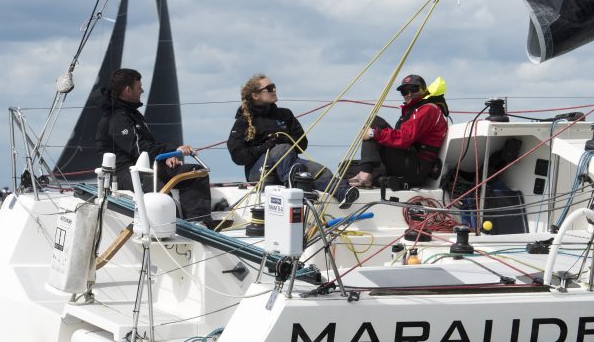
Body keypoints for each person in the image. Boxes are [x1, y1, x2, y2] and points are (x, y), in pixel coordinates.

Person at [97, 68, 213, 226]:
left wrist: (168, 157)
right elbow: (138, 148)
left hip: (146, 165)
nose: (142, 90)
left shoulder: (133, 114)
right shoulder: (117, 118)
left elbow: (149, 146)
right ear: (128, 90)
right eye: (139, 87)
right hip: (124, 170)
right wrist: (175, 149)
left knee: (195, 173)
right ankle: (173, 227)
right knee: (157, 190)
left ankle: (199, 223)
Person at [227, 73, 358, 208]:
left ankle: (343, 192)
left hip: (289, 163)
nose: (274, 90)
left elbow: (302, 144)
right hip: (260, 171)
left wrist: (284, 139)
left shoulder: (285, 114)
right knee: (282, 150)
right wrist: (267, 146)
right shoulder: (243, 122)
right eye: (270, 88)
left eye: (274, 86)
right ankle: (295, 186)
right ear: (255, 95)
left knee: (321, 171)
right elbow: (238, 156)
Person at [349, 74, 449, 188]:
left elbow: (405, 138)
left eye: (414, 89)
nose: (409, 94)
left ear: (424, 90)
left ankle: (365, 175)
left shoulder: (428, 109)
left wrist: (374, 134)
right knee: (346, 167)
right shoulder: (413, 110)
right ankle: (371, 175)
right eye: (405, 91)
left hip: (418, 168)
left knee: (374, 130)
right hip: (409, 160)